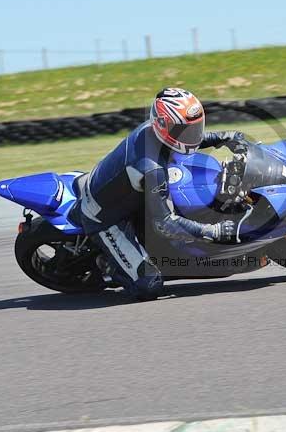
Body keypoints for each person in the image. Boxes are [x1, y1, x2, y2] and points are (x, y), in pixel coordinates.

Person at [75, 88, 245, 300]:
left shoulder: (155, 131)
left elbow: (186, 139)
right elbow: (165, 223)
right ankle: (112, 267)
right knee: (149, 286)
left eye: (196, 128)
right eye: (186, 130)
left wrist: (222, 138)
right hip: (104, 216)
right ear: (163, 125)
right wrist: (213, 231)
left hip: (129, 194)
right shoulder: (151, 167)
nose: (193, 134)